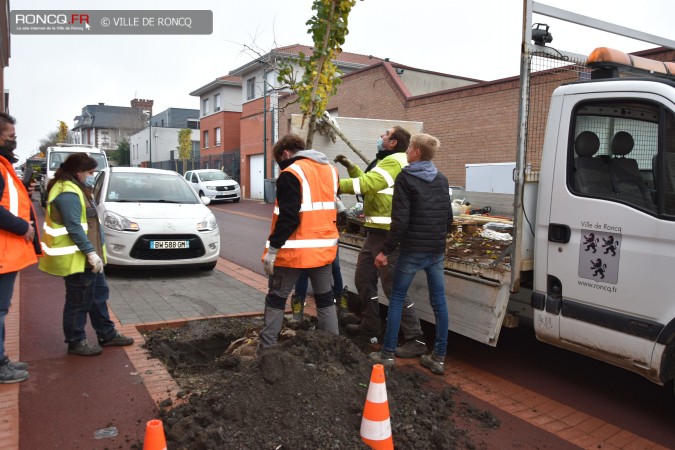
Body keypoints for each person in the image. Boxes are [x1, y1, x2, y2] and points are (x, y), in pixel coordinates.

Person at [335, 126, 427, 358]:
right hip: (374, 233)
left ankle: (416, 338)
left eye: (385, 134)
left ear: (394, 142)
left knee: (393, 288)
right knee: (364, 279)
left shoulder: (394, 162)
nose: (381, 137)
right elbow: (369, 186)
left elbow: (367, 185)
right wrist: (352, 168)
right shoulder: (386, 161)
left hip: (388, 235)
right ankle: (370, 324)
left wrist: (328, 183)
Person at [369, 133, 452, 375]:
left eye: (410, 149)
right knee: (440, 303)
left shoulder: (406, 177)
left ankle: (387, 355)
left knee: (396, 298)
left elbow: (400, 221)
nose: (407, 152)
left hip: (412, 250)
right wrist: (438, 238)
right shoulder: (442, 178)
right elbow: (448, 217)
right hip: (436, 250)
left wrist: (385, 251)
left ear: (416, 152)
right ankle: (438, 358)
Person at [39, 153, 133, 356]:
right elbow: (74, 227)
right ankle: (76, 341)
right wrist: (90, 253)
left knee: (99, 296)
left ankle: (106, 334)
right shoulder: (68, 192)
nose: (92, 176)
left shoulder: (77, 188)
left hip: (88, 258)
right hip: (77, 258)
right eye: (90, 172)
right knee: (78, 300)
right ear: (78, 171)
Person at [258, 134, 340, 349]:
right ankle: (334, 350)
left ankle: (266, 352)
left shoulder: (290, 173)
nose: (280, 166)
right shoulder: (331, 171)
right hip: (323, 251)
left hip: (292, 254)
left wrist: (273, 249)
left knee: (276, 298)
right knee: (325, 299)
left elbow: (289, 217)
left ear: (285, 154)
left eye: (280, 162)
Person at [0, 112, 40, 383]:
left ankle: (2, 360)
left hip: (7, 254)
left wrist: (23, 186)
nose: (14, 142)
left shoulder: (4, 166)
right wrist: (22, 227)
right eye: (10, 137)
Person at [289, 197, 349, 323]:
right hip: (310, 235)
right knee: (305, 271)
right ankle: (299, 310)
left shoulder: (324, 186)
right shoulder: (306, 187)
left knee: (332, 267)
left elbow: (340, 208)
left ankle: (339, 304)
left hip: (323, 234)